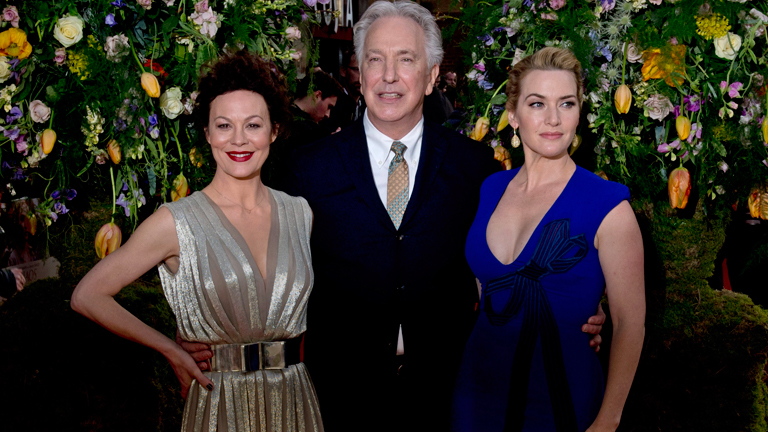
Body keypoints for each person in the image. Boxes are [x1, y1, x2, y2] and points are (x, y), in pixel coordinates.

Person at [183, 3, 604, 431]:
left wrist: (575, 309)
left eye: (406, 60)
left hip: (450, 395)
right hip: (338, 398)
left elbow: (506, 263)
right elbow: (265, 267)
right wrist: (207, 328)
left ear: (432, 75)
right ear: (360, 73)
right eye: (375, 60)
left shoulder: (475, 168)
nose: (389, 76)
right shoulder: (307, 168)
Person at [71, 51, 324, 432]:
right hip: (220, 404)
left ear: (274, 131)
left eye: (253, 125)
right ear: (207, 134)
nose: (238, 140)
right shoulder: (176, 222)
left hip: (293, 401)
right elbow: (87, 295)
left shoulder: (300, 213)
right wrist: (170, 349)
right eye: (224, 125)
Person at [452, 47, 645, 432]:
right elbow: (484, 290)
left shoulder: (608, 206)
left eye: (567, 103)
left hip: (562, 399)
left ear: (579, 113)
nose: (554, 119)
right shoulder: (491, 188)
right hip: (477, 393)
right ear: (513, 116)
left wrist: (608, 420)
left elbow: (630, 324)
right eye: (537, 103)